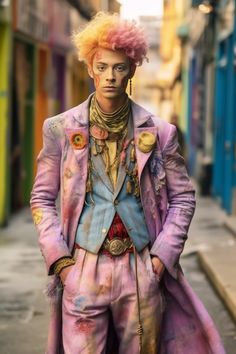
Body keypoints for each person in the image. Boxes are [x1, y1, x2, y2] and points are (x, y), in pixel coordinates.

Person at [30, 12, 225, 354]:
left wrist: (162, 257)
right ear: (89, 67)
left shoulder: (160, 132)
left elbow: (183, 198)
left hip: (140, 267)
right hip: (83, 267)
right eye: (102, 66)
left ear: (133, 69)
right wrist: (61, 262)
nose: (110, 77)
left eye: (119, 67)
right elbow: (42, 199)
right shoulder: (59, 129)